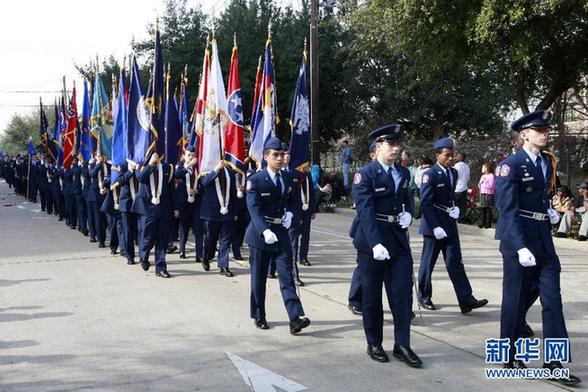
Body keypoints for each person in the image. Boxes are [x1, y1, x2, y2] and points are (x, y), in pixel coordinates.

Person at [494, 110, 581, 385]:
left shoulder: (546, 162)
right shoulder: (510, 165)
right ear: (524, 134)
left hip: (542, 239)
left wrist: (549, 212)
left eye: (546, 130)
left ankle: (554, 362)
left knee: (553, 300)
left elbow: (540, 196)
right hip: (518, 240)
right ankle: (509, 355)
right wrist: (520, 246)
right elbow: (507, 210)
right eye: (539, 130)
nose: (545, 133)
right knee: (515, 300)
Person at [351, 124, 421, 367]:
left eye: (397, 144)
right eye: (390, 144)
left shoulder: (402, 173)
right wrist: (375, 243)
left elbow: (407, 199)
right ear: (378, 146)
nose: (395, 148)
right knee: (372, 296)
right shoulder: (365, 174)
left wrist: (409, 215)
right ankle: (374, 342)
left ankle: (402, 344)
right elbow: (365, 212)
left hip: (398, 239)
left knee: (402, 294)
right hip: (373, 242)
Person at [245, 137, 310, 334]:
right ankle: (259, 314)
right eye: (276, 155)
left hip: (280, 231)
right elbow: (253, 208)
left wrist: (291, 213)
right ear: (266, 157)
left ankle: (295, 317)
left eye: (282, 155)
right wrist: (265, 230)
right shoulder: (255, 180)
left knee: (286, 274)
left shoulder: (288, 178)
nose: (281, 158)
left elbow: (294, 201)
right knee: (259, 278)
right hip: (260, 234)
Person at [417, 137, 488, 314]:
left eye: (452, 155)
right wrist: (434, 227)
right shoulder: (430, 174)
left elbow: (450, 196)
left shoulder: (453, 173)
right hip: (434, 225)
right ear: (437, 155)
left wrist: (455, 208)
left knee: (455, 262)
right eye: (447, 155)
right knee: (428, 263)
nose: (450, 158)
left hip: (449, 222)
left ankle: (466, 299)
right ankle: (424, 296)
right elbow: (426, 203)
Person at [131, 153, 175, 278]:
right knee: (148, 237)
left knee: (162, 239)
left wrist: (175, 208)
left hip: (163, 207)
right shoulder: (142, 166)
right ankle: (143, 257)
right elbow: (141, 178)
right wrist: (150, 164)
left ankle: (161, 268)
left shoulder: (167, 168)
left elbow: (171, 189)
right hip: (147, 208)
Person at [198, 158, 237, 277]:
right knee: (210, 239)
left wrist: (235, 212)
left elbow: (233, 193)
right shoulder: (205, 171)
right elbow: (205, 182)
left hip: (227, 212)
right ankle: (206, 257)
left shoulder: (230, 173)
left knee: (225, 240)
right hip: (210, 213)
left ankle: (224, 265)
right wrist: (216, 170)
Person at [453, 151, 470, 223]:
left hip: (457, 188)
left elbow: (455, 176)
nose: (456, 157)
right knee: (462, 205)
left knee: (455, 204)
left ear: (460, 158)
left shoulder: (457, 166)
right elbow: (468, 178)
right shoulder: (467, 166)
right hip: (464, 187)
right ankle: (461, 218)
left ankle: (455, 217)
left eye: (457, 156)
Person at [478, 161, 496, 228]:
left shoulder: (491, 176)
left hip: (489, 194)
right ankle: (483, 222)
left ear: (487, 168)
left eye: (483, 167)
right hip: (483, 193)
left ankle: (488, 223)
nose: (482, 168)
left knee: (488, 208)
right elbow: (480, 185)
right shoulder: (483, 176)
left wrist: (484, 182)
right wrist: (480, 184)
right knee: (483, 208)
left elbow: (491, 186)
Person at [401, 150, 417, 215]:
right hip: (403, 187)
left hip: (410, 187)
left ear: (408, 157)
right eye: (402, 155)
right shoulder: (399, 165)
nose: (402, 157)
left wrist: (409, 185)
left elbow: (412, 177)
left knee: (410, 201)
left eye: (404, 155)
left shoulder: (411, 167)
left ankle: (411, 213)